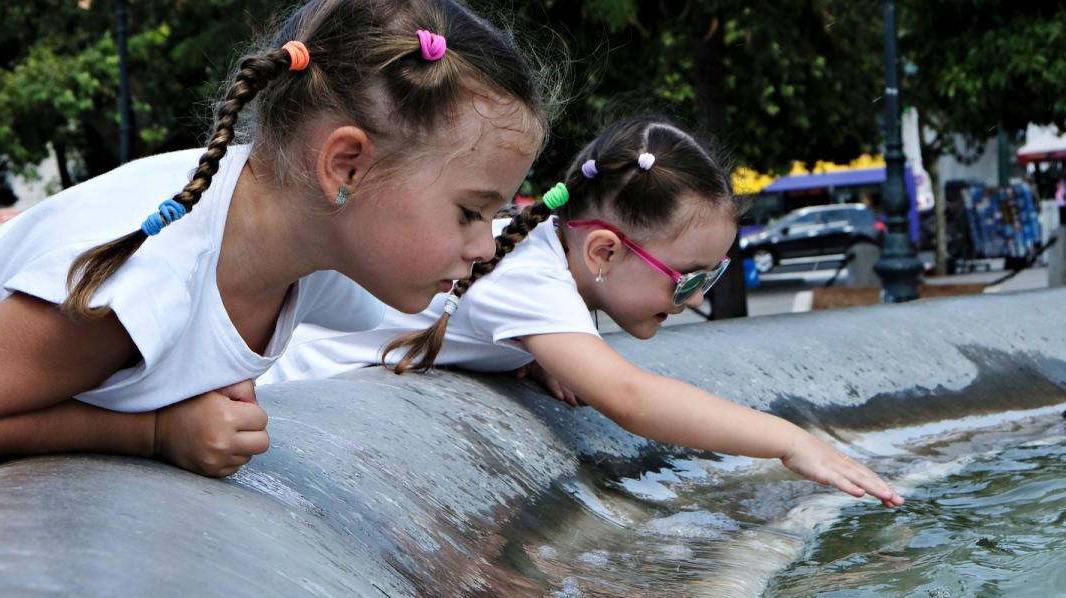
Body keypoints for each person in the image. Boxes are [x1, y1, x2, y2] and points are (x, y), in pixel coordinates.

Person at [0, 0, 554, 552]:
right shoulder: (149, 279)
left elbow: (425, 315)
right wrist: (159, 435)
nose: (482, 246)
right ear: (347, 165)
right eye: (471, 211)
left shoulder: (293, 233)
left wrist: (529, 349)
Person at [263, 116, 905, 508]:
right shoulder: (528, 273)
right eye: (687, 280)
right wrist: (790, 442)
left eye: (713, 277)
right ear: (603, 251)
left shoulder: (542, 262)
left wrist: (534, 357)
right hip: (292, 400)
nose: (700, 299)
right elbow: (630, 396)